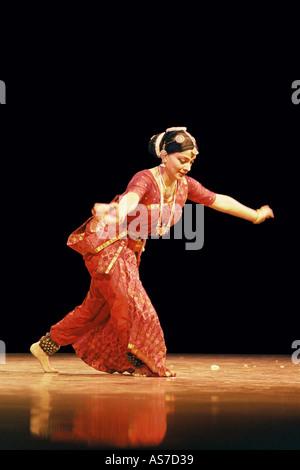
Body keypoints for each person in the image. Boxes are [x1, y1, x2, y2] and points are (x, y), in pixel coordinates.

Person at [30, 127, 274, 377]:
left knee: (95, 309)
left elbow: (218, 200)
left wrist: (254, 215)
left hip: (130, 251)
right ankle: (145, 363)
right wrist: (113, 212)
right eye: (182, 160)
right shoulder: (145, 178)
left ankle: (44, 346)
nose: (187, 167)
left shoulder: (185, 186)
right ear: (164, 155)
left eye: (191, 161)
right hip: (109, 245)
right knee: (136, 303)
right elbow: (129, 200)